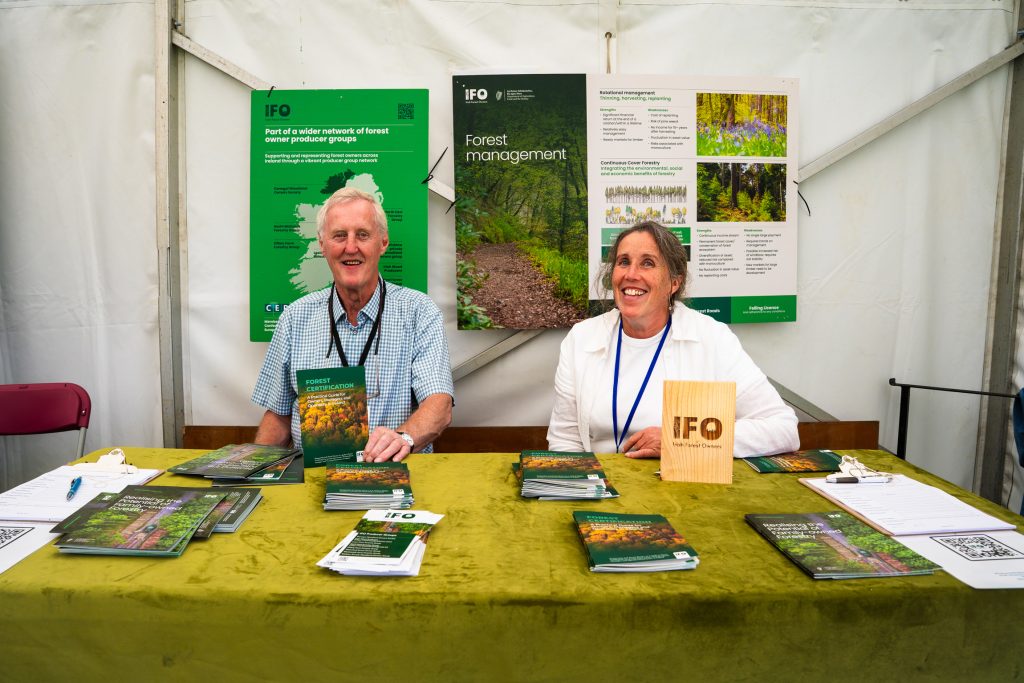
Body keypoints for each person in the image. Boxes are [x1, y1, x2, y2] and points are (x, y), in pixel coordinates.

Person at [547, 221, 798, 458]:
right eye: (624, 262)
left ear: (674, 283)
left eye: (647, 263)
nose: (631, 274)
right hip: (601, 491)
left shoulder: (712, 339)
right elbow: (565, 440)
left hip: (683, 493)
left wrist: (677, 439)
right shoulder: (581, 339)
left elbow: (783, 430)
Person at [252, 187, 454, 462]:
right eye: (339, 236)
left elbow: (438, 405)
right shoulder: (294, 318)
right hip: (316, 480)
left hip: (393, 476)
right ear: (322, 245)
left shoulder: (418, 312)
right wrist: (255, 475)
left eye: (362, 234)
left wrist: (403, 439)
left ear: (382, 242)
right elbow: (278, 415)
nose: (350, 247)